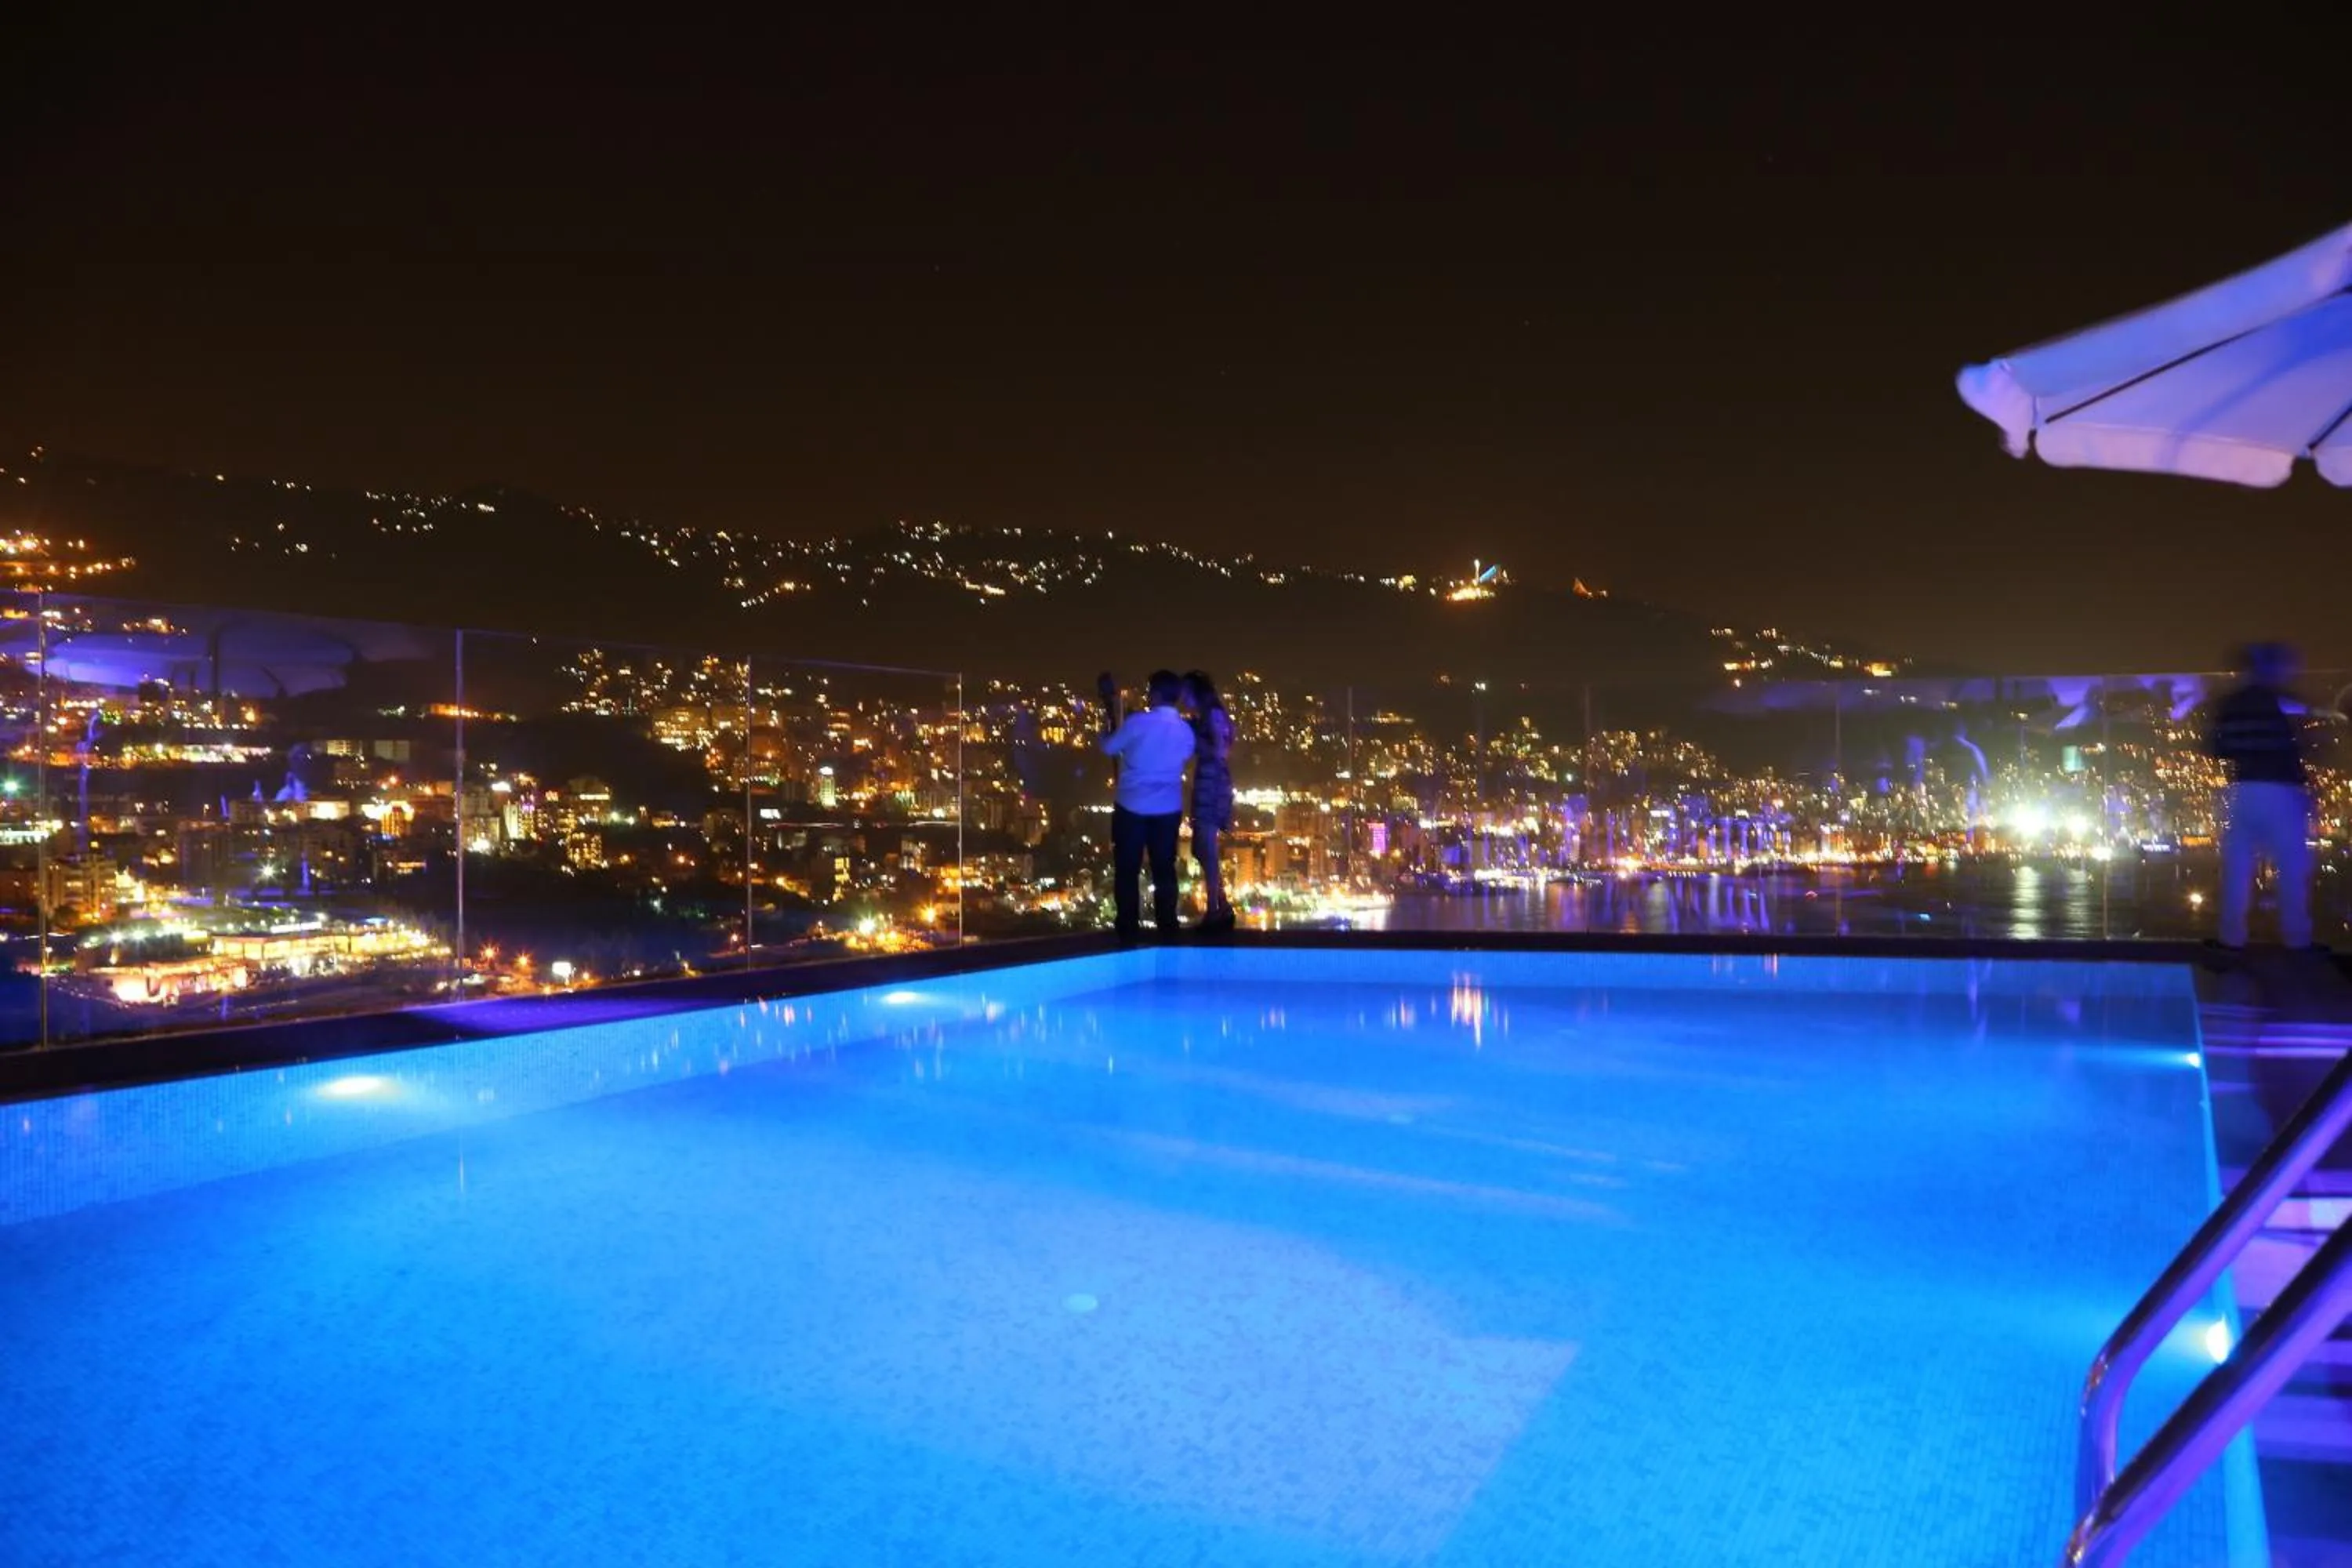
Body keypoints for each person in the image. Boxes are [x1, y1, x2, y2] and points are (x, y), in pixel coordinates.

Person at [2206, 642, 2314, 951]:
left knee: (2238, 866)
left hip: (2244, 789)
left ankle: (2231, 937)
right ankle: (2297, 938)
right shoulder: (2284, 702)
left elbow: (2217, 748)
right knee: (2291, 866)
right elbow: (2305, 742)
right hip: (2281, 789)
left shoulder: (2228, 704)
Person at [1098, 669, 1192, 941]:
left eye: (1150, 689)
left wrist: (1104, 732)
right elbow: (1184, 756)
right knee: (1164, 868)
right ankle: (1168, 926)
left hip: (1132, 806)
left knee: (1127, 869)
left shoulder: (1138, 723)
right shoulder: (1185, 731)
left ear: (1157, 693)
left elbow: (1109, 747)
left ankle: (1128, 928)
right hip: (1167, 808)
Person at [1181, 670, 1236, 930]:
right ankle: (1220, 902)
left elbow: (1218, 750)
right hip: (1208, 779)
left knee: (1207, 847)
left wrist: (1194, 737)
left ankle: (1215, 909)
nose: (1183, 698)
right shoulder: (1209, 715)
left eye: (1187, 692)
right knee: (1200, 848)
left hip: (1212, 782)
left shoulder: (1212, 715)